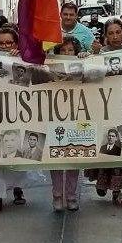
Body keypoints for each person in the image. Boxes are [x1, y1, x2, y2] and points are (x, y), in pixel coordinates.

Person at [0, 26, 28, 213]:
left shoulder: (23, 61)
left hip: (18, 115)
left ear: (16, 43)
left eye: (9, 42)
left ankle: (17, 188)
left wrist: (19, 59)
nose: (5, 46)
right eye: (1, 43)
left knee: (16, 152)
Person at [48, 38, 82, 211]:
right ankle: (57, 195)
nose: (68, 54)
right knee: (56, 158)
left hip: (76, 117)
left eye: (71, 50)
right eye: (64, 51)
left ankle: (71, 195)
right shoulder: (51, 67)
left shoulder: (83, 65)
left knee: (74, 158)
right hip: (55, 117)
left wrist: (88, 57)